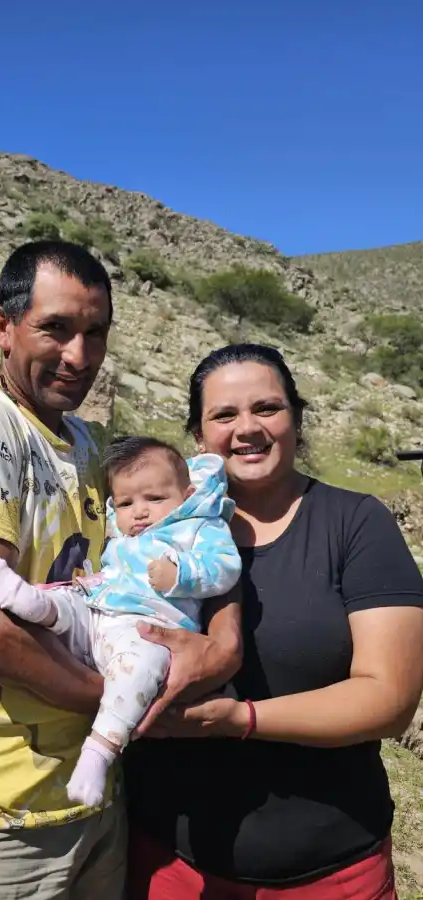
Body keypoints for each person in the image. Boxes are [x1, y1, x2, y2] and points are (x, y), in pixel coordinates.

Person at [0, 239, 242, 900]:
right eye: (55, 329)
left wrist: (222, 640)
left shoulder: (86, 444)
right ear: (2, 326)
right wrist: (131, 707)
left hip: (89, 796)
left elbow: (187, 530)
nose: (79, 356)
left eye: (95, 333)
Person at [125, 343, 423, 899]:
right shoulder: (151, 523)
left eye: (266, 408)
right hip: (167, 862)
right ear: (198, 436)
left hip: (329, 872)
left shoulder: (356, 523)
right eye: (223, 415)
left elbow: (391, 697)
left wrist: (242, 718)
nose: (247, 429)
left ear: (297, 417)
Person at [0, 437, 242, 809]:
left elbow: (226, 568)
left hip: (147, 628)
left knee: (142, 667)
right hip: (98, 609)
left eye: (155, 499)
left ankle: (99, 751)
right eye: (126, 503)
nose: (140, 513)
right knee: (67, 602)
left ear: (188, 494)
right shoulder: (123, 530)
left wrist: (182, 572)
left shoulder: (199, 527)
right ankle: (29, 601)